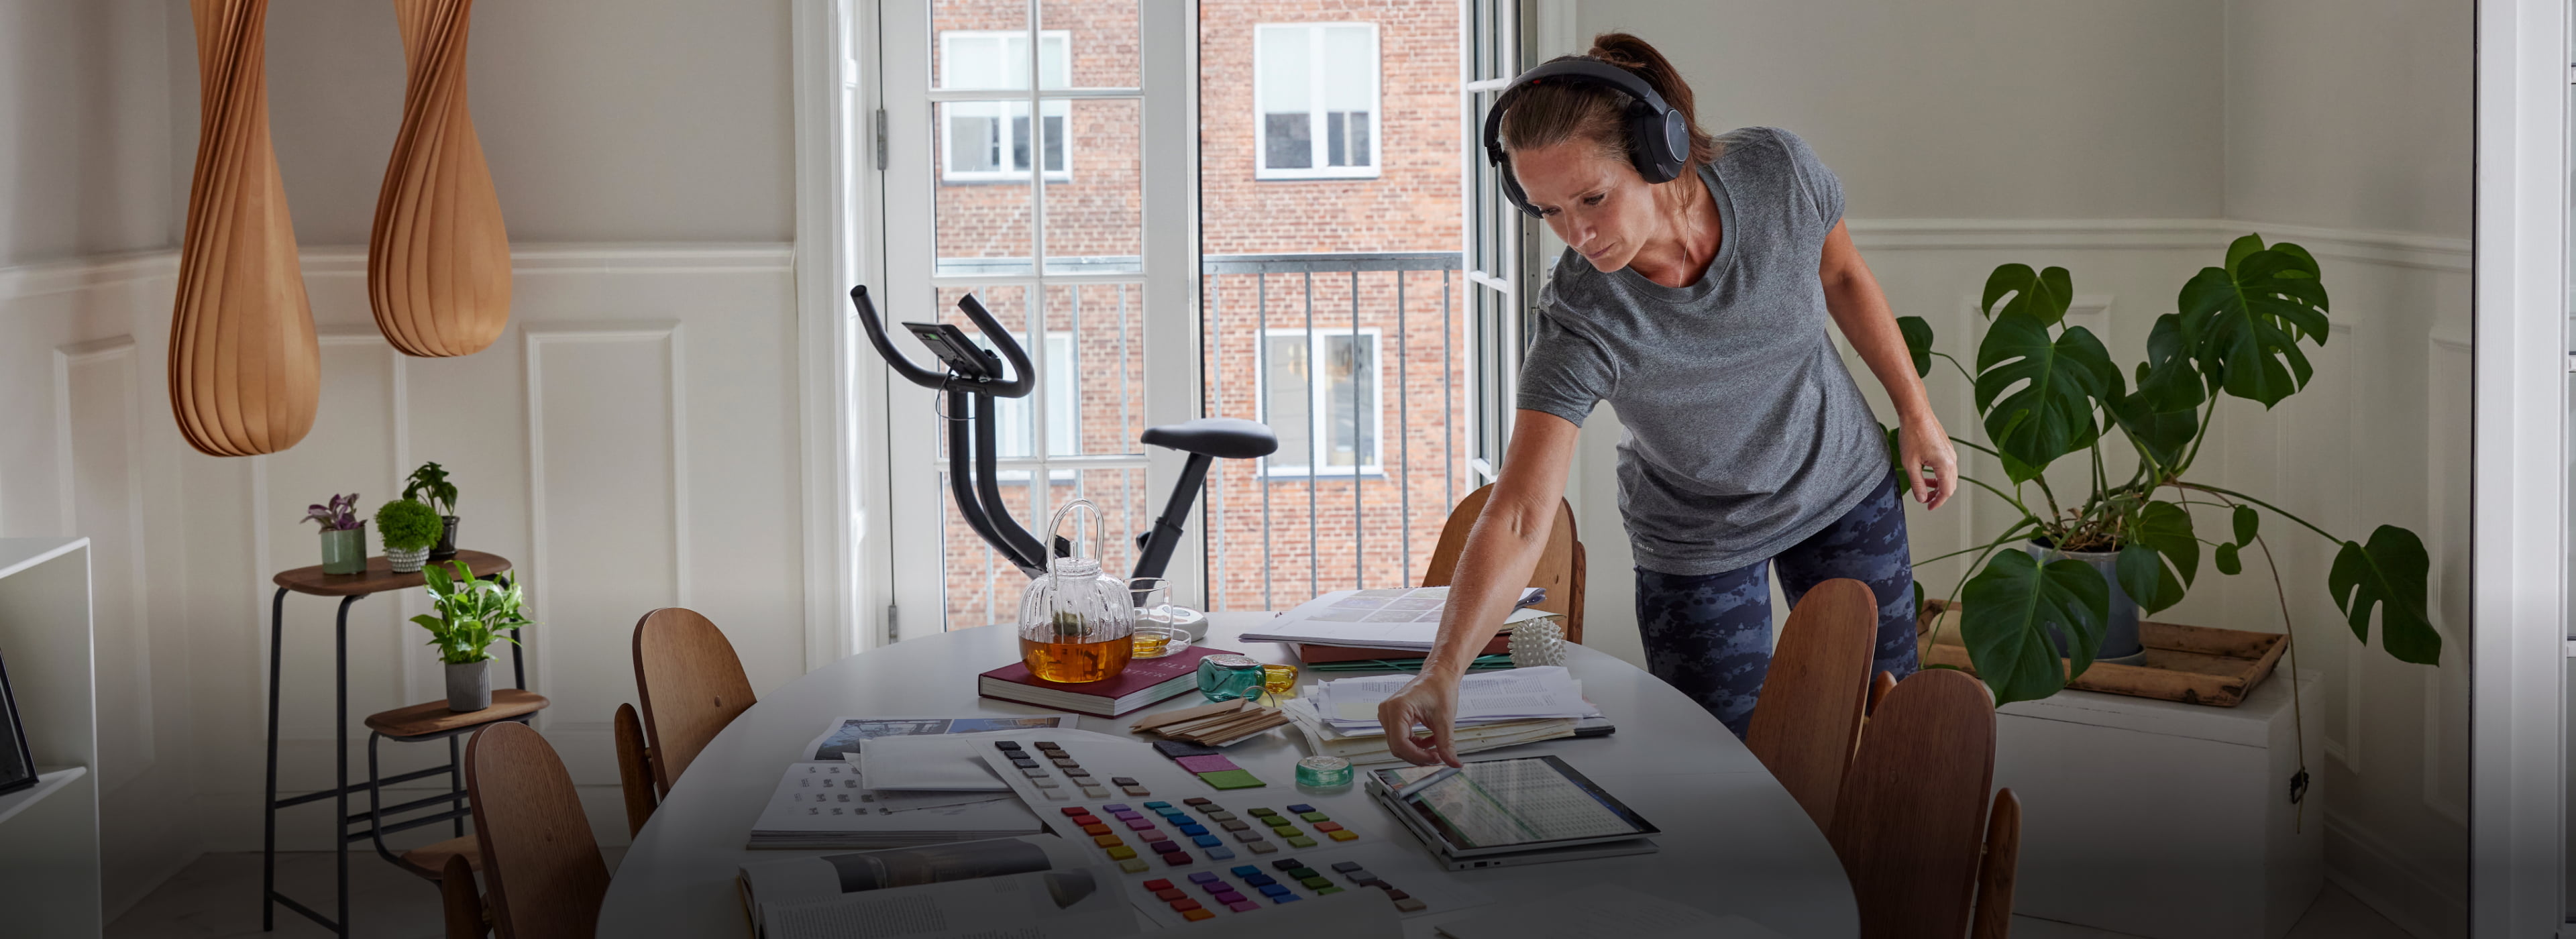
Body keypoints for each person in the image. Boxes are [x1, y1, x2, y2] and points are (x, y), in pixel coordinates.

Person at [1375, 33, 1957, 765]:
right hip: (1696, 534)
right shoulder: (1582, 318)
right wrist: (1442, 671)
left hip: (1839, 483)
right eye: (1548, 211)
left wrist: (1917, 412)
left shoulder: (1776, 175)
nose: (1577, 234)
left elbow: (1840, 275)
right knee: (1718, 768)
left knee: (1885, 734)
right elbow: (1522, 513)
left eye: (1592, 198)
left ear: (1659, 152)